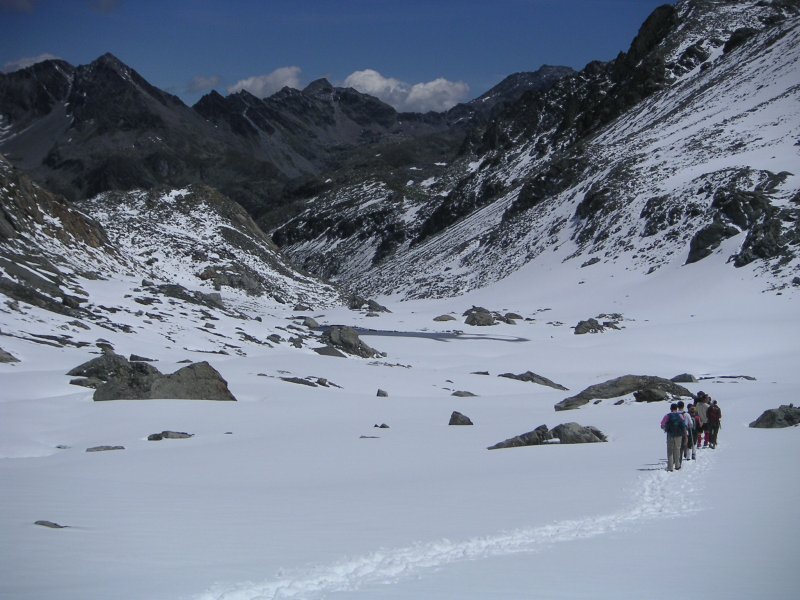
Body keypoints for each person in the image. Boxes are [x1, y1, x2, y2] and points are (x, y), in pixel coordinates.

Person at [661, 403, 687, 472]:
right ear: (677, 408)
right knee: (677, 450)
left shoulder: (667, 416)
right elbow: (684, 426)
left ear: (671, 408)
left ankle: (670, 467)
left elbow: (662, 425)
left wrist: (666, 429)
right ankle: (677, 466)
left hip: (670, 435)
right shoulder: (680, 416)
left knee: (670, 451)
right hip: (679, 435)